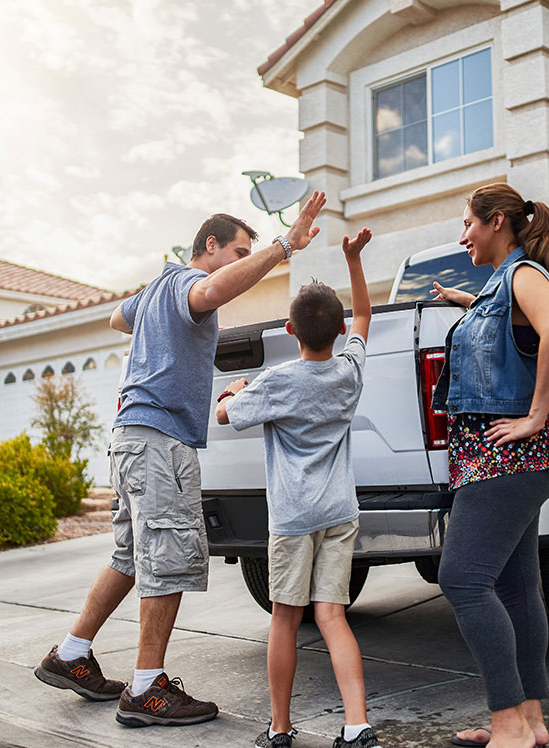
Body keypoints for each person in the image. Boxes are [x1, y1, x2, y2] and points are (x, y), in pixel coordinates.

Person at [34, 192, 327, 729]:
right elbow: (211, 289)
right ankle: (147, 689)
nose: (241, 262)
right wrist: (285, 246)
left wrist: (157, 323)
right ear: (208, 245)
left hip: (132, 437)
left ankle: (72, 654)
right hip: (159, 440)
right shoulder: (187, 286)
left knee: (130, 554)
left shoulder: (156, 290)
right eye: (238, 252)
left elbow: (114, 320)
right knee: (167, 555)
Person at [216, 227, 383, 748]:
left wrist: (237, 387)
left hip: (292, 519)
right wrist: (353, 260)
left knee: (286, 620)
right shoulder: (350, 371)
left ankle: (281, 728)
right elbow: (365, 317)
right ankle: (356, 726)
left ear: (290, 330)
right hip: (339, 513)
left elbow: (225, 415)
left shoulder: (279, 381)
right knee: (333, 616)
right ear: (337, 331)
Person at [429, 183, 549, 748]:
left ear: (497, 221)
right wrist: (463, 303)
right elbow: (507, 329)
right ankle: (533, 721)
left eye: (467, 223)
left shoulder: (524, 276)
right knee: (516, 586)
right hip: (501, 459)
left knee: (463, 579)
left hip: (508, 456)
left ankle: (509, 723)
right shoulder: (504, 283)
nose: (462, 234)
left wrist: (537, 414)